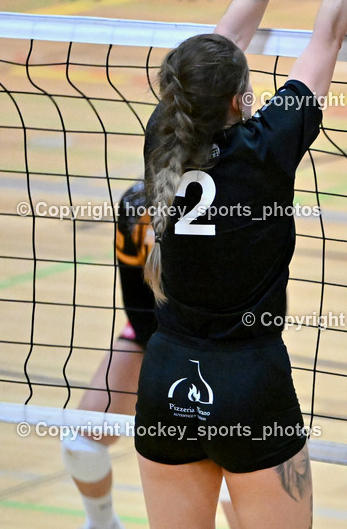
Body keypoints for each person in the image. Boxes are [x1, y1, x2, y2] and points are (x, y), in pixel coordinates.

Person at [133, 0, 347, 528]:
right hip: (249, 381)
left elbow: (211, 55)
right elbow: (328, 36)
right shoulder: (266, 146)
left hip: (167, 373)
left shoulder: (165, 135)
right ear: (237, 100)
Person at [62, 183, 240, 529]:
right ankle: (103, 524)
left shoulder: (227, 204)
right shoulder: (136, 206)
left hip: (224, 344)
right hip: (157, 333)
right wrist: (166, 363)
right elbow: (136, 305)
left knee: (232, 463)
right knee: (80, 441)